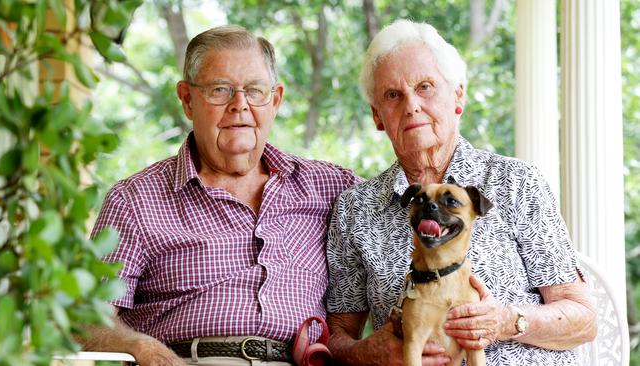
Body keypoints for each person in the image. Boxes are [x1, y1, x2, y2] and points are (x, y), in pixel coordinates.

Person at [81, 25, 362, 366]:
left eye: (255, 91)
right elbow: (85, 317)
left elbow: (403, 213)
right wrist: (141, 347)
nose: (239, 105)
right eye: (220, 90)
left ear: (275, 100)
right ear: (187, 99)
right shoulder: (136, 200)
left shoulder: (330, 187)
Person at [325, 19, 597, 365]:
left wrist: (506, 320)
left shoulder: (514, 182)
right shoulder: (357, 208)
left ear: (458, 96)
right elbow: (335, 337)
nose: (411, 106)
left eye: (425, 87)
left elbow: (582, 318)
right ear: (377, 116)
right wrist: (368, 352)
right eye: (393, 95)